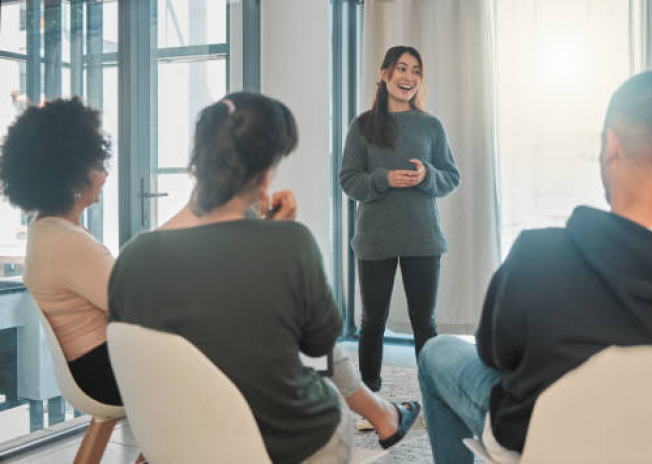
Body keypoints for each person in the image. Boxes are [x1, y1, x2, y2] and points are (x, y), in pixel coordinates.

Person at [417, 71, 652, 463]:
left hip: (548, 443)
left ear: (611, 145)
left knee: (436, 351)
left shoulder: (540, 255)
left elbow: (495, 355)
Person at [108, 93, 419, 464]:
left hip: (178, 443)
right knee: (329, 392)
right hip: (287, 445)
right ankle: (383, 414)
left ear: (198, 160)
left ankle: (383, 413)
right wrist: (280, 244)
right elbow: (317, 347)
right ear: (265, 174)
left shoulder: (132, 258)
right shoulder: (290, 243)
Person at [339, 45, 460, 392]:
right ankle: (371, 394)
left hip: (423, 239)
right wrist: (383, 179)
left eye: (416, 71)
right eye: (402, 69)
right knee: (372, 321)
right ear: (385, 73)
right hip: (375, 239)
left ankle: (433, 394)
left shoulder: (430, 125)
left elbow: (451, 177)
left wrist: (427, 176)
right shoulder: (362, 126)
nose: (409, 77)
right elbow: (349, 180)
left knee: (425, 323)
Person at [0, 97, 121, 405]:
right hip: (108, 373)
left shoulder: (47, 228)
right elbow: (135, 305)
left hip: (96, 366)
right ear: (72, 177)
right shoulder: (67, 241)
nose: (105, 176)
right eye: (97, 165)